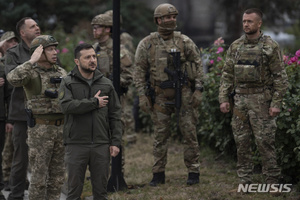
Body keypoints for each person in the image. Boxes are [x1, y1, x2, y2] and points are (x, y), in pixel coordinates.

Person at [134, 3, 204, 186]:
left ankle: (193, 172)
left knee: (189, 133)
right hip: (160, 96)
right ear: (158, 20)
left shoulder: (185, 41)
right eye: (168, 17)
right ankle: (158, 174)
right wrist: (142, 95)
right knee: (160, 135)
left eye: (174, 17)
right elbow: (139, 71)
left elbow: (198, 65)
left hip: (185, 93)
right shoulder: (147, 43)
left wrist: (198, 89)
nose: (172, 20)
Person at [219, 8, 288, 187]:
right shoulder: (235, 46)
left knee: (265, 142)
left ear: (259, 23)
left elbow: (280, 77)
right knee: (241, 142)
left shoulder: (270, 46)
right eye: (244, 21)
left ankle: (272, 180)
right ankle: (245, 181)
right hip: (240, 101)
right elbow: (227, 74)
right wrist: (224, 99)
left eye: (250, 21)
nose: (246, 24)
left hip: (261, 101)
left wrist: (276, 103)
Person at [58, 43, 122, 199]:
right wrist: (94, 102)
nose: (93, 60)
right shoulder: (67, 82)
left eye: (94, 56)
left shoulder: (106, 83)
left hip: (101, 144)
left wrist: (115, 141)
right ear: (77, 61)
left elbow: (115, 114)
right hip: (76, 144)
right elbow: (66, 106)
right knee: (73, 191)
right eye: (87, 57)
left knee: (101, 191)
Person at [7, 35, 67, 200]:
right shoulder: (30, 72)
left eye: (55, 48)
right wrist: (31, 61)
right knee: (39, 179)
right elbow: (12, 78)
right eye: (50, 49)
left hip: (60, 129)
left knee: (57, 178)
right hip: (40, 130)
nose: (55, 52)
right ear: (39, 52)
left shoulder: (61, 72)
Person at [91, 13, 133, 172]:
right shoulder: (92, 49)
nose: (95, 30)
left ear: (108, 29)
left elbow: (129, 73)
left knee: (115, 134)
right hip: (95, 100)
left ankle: (116, 170)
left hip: (114, 99)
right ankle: (100, 169)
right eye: (93, 27)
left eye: (98, 27)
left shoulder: (118, 49)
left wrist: (114, 84)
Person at [5, 17, 40, 200]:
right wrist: (32, 63)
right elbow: (13, 78)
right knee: (21, 159)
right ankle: (16, 195)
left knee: (43, 157)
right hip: (21, 114)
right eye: (32, 26)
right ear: (22, 32)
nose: (37, 28)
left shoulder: (45, 48)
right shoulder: (13, 53)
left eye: (37, 25)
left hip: (44, 113)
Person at [0, 31, 18, 193]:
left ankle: (12, 178)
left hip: (12, 113)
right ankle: (5, 178)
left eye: (15, 41)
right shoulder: (2, 64)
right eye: (9, 42)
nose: (13, 44)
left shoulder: (15, 63)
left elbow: (10, 94)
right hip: (6, 114)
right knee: (7, 148)